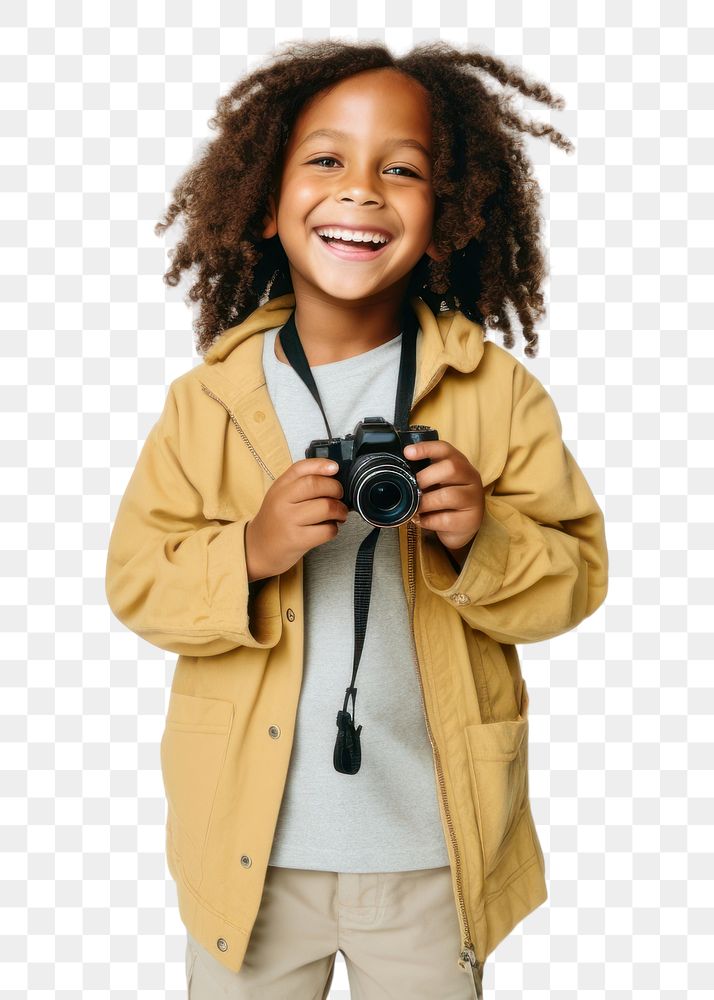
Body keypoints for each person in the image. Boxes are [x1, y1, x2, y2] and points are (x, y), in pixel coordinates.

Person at [104, 38, 609, 999]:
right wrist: (249, 551)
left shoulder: (494, 393)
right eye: (327, 160)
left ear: (451, 217)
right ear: (265, 200)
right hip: (248, 852)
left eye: (403, 169)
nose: (364, 190)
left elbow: (575, 581)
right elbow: (137, 583)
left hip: (432, 846)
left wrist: (482, 538)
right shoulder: (210, 400)